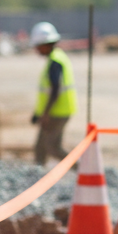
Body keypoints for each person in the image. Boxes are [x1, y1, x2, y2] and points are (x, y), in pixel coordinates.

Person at [29, 22, 77, 167]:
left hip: (57, 112)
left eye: (37, 46)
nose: (36, 50)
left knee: (51, 147)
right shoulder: (56, 57)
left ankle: (81, 169)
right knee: (41, 147)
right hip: (57, 111)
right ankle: (37, 175)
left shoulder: (55, 62)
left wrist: (45, 114)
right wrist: (38, 113)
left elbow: (55, 90)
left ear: (45, 44)